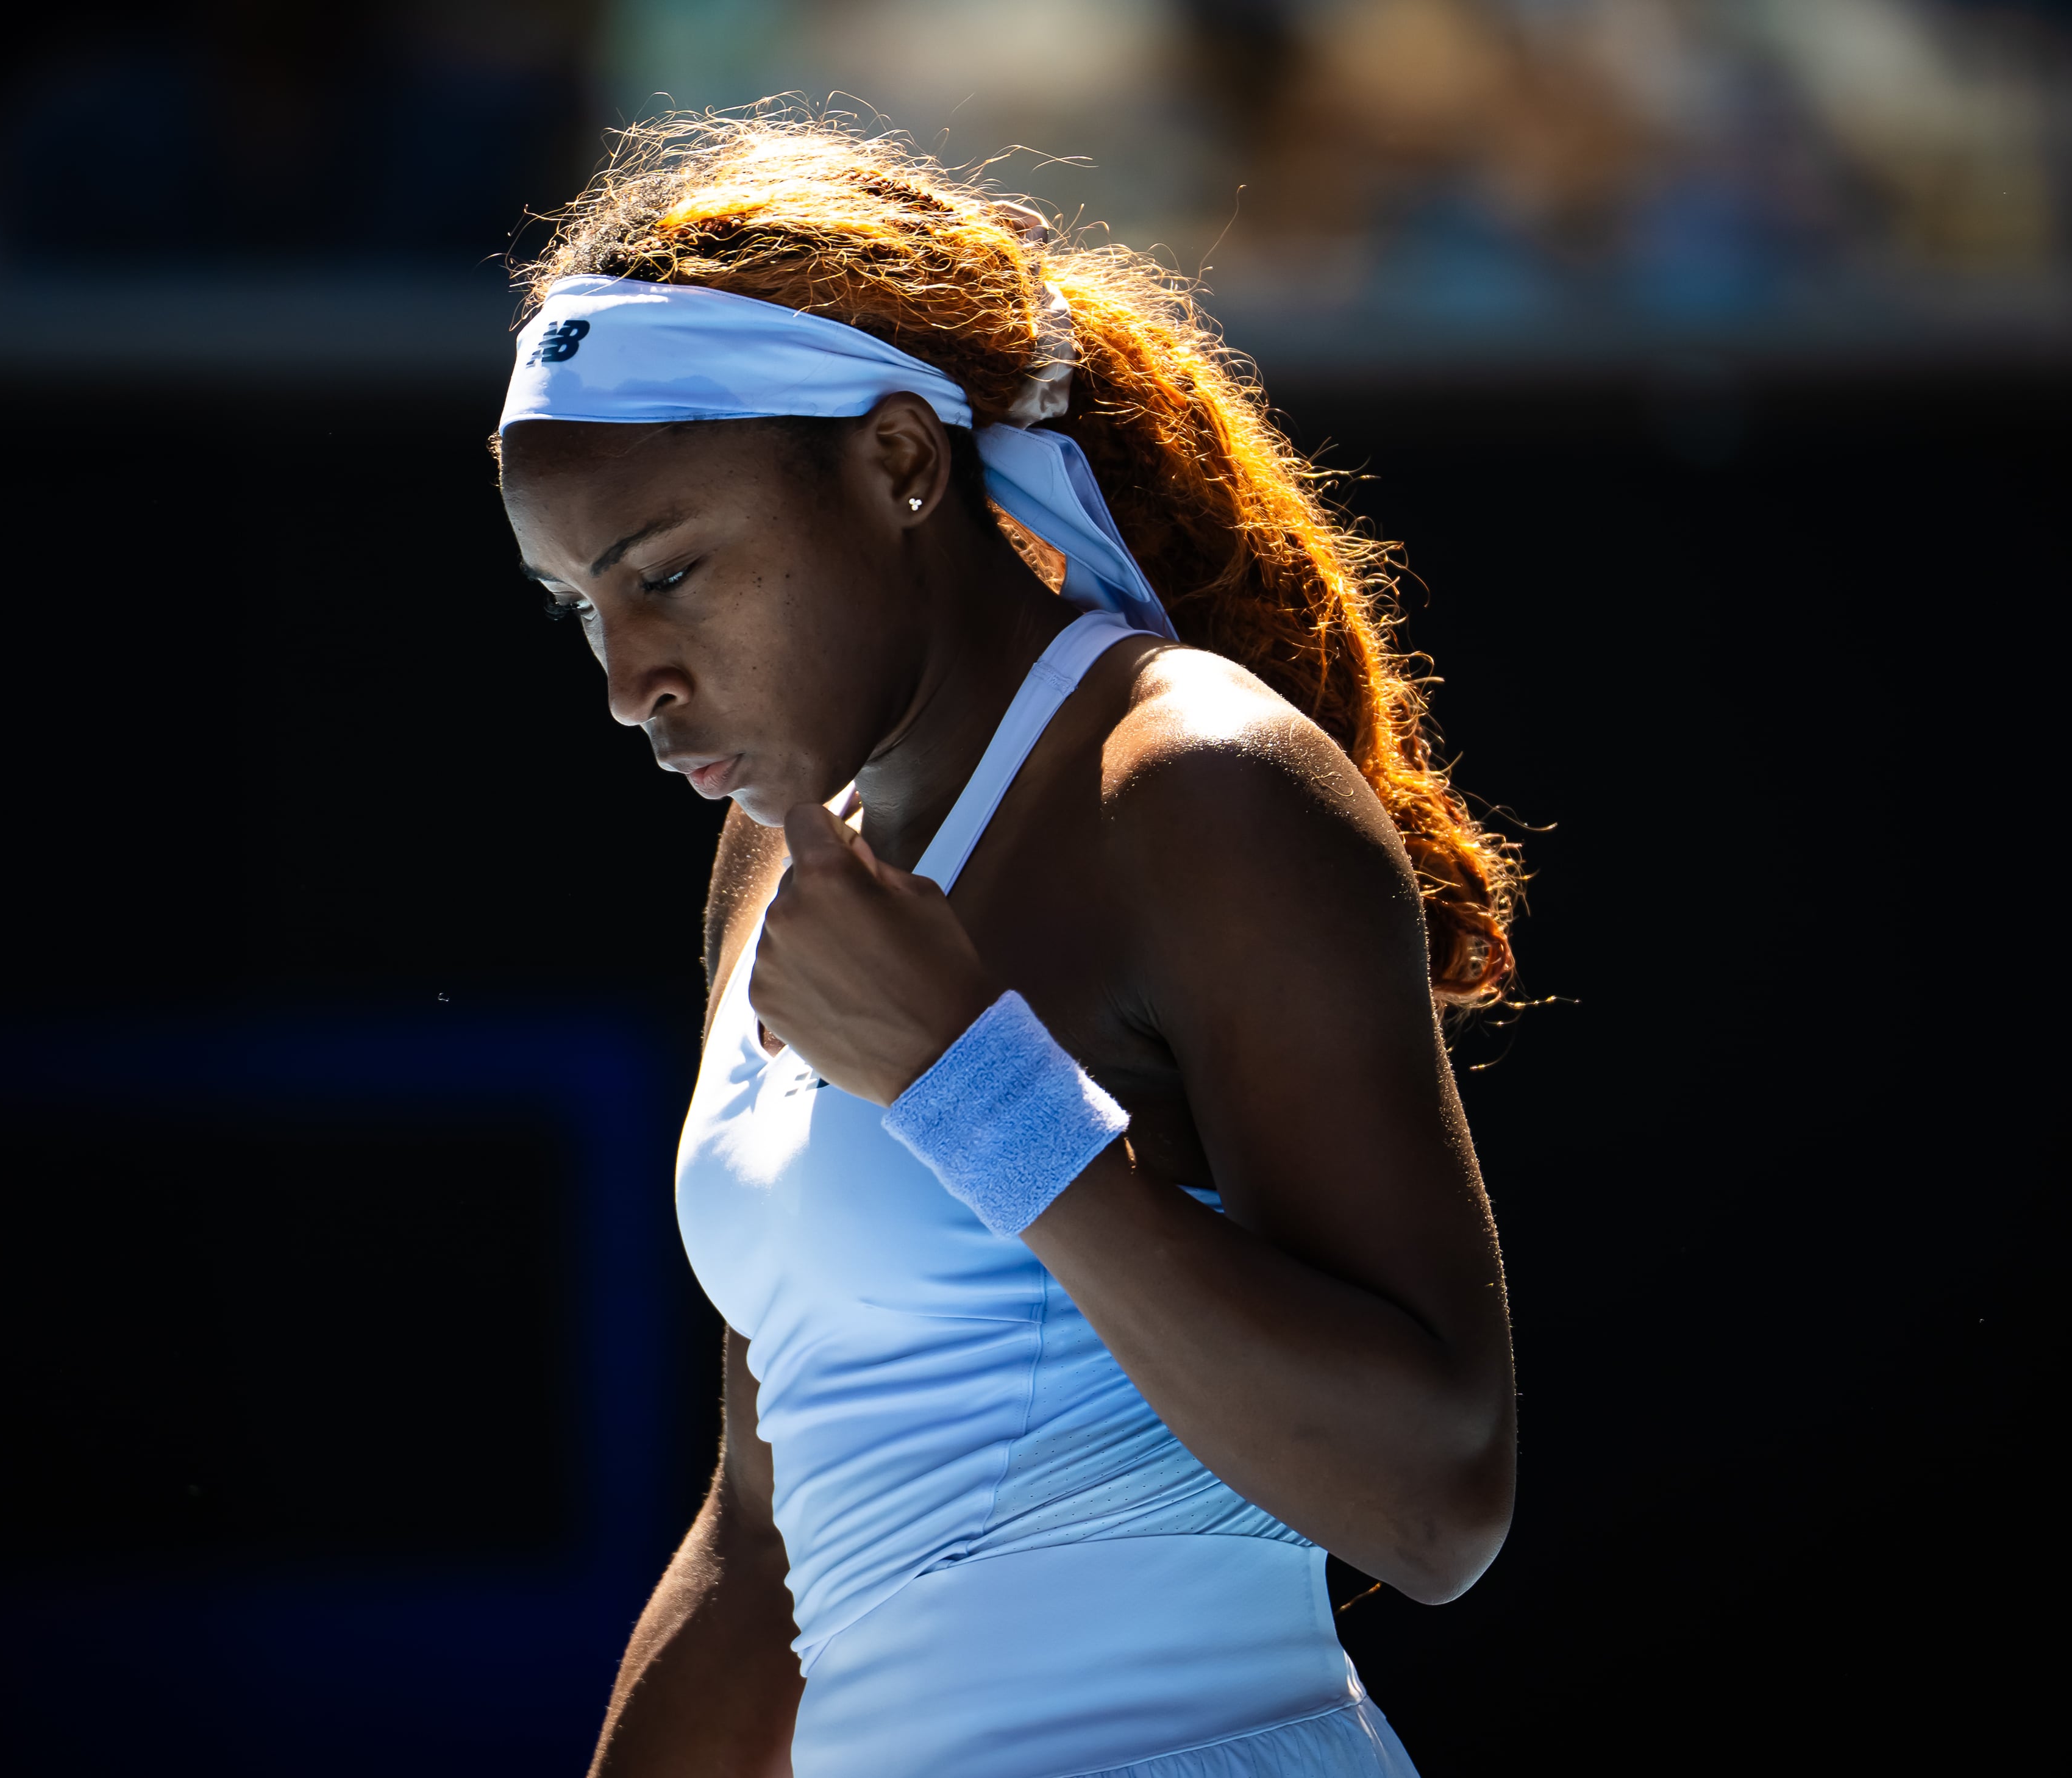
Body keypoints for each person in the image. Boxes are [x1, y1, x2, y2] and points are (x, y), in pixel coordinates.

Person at [499, 115, 1520, 1778]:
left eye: (668, 571)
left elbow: (1435, 1500)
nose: (628, 679)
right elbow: (767, 1544)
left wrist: (978, 1090)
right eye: (576, 607)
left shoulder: (1194, 786)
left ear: (900, 463)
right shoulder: (768, 848)